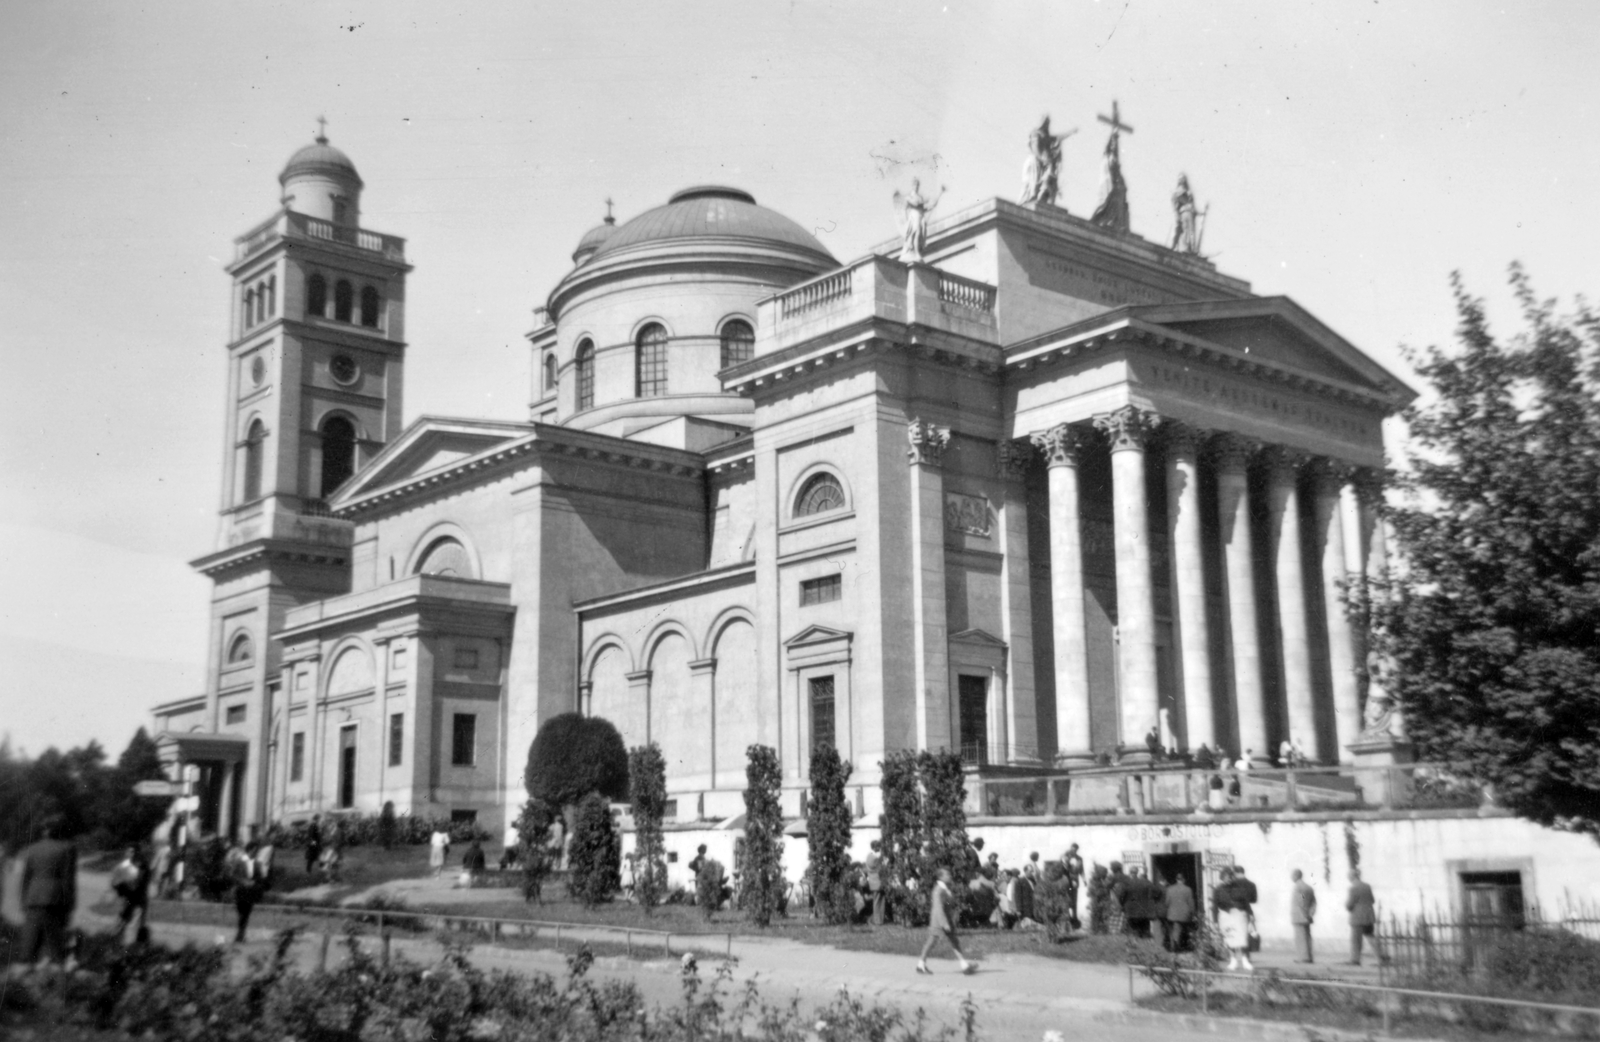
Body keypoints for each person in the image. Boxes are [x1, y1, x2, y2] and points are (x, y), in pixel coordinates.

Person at [17, 817, 77, 970]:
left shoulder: (32, 848)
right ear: (56, 831)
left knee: (30, 942)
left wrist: (24, 901)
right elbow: (67, 880)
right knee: (55, 944)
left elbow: (25, 878)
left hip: (33, 897)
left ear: (43, 831)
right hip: (55, 899)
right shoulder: (67, 849)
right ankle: (54, 973)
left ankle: (26, 972)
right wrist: (69, 904)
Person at [917, 868, 974, 975]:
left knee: (953, 941)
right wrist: (944, 923)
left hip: (946, 920)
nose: (950, 875)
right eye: (947, 874)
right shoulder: (938, 890)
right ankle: (921, 964)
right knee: (931, 942)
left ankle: (964, 965)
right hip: (939, 921)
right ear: (940, 877)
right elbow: (938, 907)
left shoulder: (945, 888)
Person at [1212, 867, 1255, 971]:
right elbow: (1215, 906)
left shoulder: (1240, 888)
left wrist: (1251, 914)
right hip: (1225, 915)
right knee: (1230, 938)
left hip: (1240, 915)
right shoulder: (1218, 889)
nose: (1228, 879)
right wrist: (1215, 921)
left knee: (1242, 939)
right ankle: (1233, 961)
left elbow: (1246, 902)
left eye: (1230, 877)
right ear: (1222, 878)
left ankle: (1245, 961)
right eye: (1226, 877)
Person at [109, 845, 151, 946]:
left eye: (133, 852)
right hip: (129, 899)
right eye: (129, 852)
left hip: (138, 900)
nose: (130, 854)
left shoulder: (143, 867)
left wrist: (122, 885)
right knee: (121, 923)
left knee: (132, 926)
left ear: (137, 853)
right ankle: (116, 943)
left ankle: (131, 946)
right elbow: (116, 880)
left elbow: (136, 884)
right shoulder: (126, 866)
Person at [1346, 869, 1383, 966]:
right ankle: (1381, 957)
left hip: (1357, 917)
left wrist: (1349, 907)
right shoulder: (1367, 886)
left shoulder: (1353, 888)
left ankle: (1355, 960)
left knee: (1356, 940)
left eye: (1349, 876)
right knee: (1371, 938)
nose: (1348, 878)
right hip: (1369, 916)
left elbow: (1349, 904)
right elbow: (1372, 900)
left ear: (1352, 876)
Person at [231, 840, 264, 944]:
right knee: (241, 912)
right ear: (250, 850)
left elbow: (260, 877)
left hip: (250, 892)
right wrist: (243, 881)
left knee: (247, 913)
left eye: (257, 851)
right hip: (241, 890)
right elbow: (233, 875)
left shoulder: (257, 863)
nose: (256, 853)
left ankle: (241, 934)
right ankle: (240, 934)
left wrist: (255, 882)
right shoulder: (239, 861)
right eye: (255, 850)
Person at [1163, 873, 1195, 952]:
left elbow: (1167, 903)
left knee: (1175, 929)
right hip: (1184, 914)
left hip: (1172, 914)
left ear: (1176, 879)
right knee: (1179, 929)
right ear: (1183, 880)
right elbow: (1191, 903)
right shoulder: (1188, 889)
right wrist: (1193, 914)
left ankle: (1174, 945)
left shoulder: (1169, 889)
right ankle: (1175, 946)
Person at [1291, 868, 1318, 963]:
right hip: (1307, 916)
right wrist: (1311, 913)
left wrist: (1305, 913)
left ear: (1296, 876)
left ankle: (1303, 958)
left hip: (1300, 916)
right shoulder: (1309, 887)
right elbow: (1314, 902)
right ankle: (1309, 957)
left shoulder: (1298, 887)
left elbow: (1301, 900)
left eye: (1292, 875)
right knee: (1307, 937)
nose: (1291, 877)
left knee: (1300, 938)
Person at [1123, 866, 1156, 938]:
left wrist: (1123, 905)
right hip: (1143, 909)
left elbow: (1122, 896)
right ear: (1137, 873)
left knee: (1132, 927)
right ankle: (1144, 939)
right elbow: (1153, 892)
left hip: (1131, 909)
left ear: (1130, 873)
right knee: (1144, 927)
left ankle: (1134, 939)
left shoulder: (1127, 883)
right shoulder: (1145, 882)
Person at [1061, 843, 1085, 929]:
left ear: (1077, 850)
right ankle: (1067, 920)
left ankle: (1074, 919)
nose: (1073, 851)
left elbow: (1082, 870)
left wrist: (1084, 879)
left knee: (1074, 901)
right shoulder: (1064, 856)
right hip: (1066, 881)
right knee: (1066, 900)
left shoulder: (1079, 859)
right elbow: (1062, 868)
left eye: (1075, 850)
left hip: (1075, 882)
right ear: (1070, 848)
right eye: (1072, 849)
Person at [863, 839, 885, 925]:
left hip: (873, 882)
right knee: (878, 902)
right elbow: (880, 869)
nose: (879, 848)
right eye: (878, 847)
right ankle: (878, 921)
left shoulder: (868, 856)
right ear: (874, 847)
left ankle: (879, 920)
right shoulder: (874, 858)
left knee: (878, 901)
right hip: (877, 881)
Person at [1106, 861, 1129, 935]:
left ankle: (1115, 931)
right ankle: (1123, 929)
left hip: (1116, 898)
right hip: (1125, 898)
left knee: (1115, 913)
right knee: (1123, 914)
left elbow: (1108, 886)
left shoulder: (1113, 877)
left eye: (1112, 868)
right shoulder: (1126, 877)